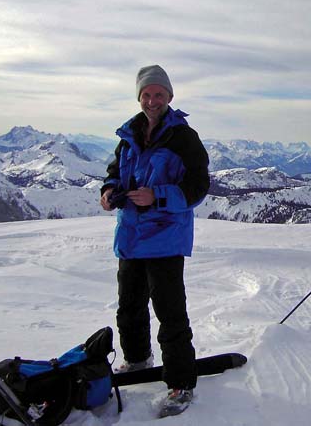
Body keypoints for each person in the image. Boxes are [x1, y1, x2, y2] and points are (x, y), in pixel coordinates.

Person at [100, 64, 209, 415]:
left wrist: (158, 197)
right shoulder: (130, 133)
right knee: (129, 305)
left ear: (169, 97)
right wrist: (109, 192)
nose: (152, 100)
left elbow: (197, 187)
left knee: (169, 312)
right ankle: (137, 360)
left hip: (164, 236)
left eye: (158, 94)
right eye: (146, 94)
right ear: (139, 97)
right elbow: (115, 172)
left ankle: (181, 383)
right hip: (131, 233)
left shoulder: (184, 138)